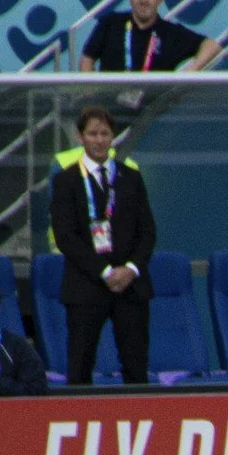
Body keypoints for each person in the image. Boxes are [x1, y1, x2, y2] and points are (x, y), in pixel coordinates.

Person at [48, 106, 155, 386]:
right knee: (80, 364)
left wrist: (130, 269)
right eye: (92, 133)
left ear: (113, 136)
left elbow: (148, 232)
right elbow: (66, 237)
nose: (99, 139)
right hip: (87, 285)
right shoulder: (67, 180)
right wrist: (105, 272)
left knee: (136, 364)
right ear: (81, 137)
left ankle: (135, 421)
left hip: (130, 287)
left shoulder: (130, 177)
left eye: (104, 133)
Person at [79, 0, 220, 73]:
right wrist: (93, 92)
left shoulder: (171, 33)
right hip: (109, 110)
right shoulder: (110, 23)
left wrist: (190, 71)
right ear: (130, 0)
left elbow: (212, 46)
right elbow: (86, 60)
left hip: (153, 112)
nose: (143, 0)